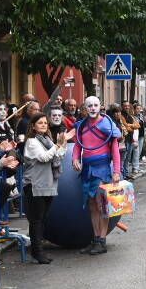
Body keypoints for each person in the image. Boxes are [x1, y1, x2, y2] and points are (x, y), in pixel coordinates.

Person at [70, 97, 122, 255]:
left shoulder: (107, 124)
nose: (92, 108)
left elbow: (115, 149)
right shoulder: (81, 125)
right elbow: (78, 145)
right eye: (89, 105)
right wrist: (74, 159)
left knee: (101, 205)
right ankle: (95, 238)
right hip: (87, 169)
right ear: (85, 108)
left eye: (95, 105)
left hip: (102, 168)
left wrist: (117, 171)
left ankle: (102, 240)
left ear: (100, 106)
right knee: (92, 205)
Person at [20, 113, 60, 263]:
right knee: (36, 220)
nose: (44, 125)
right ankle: (37, 251)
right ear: (33, 126)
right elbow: (44, 157)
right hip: (34, 184)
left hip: (47, 183)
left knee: (42, 219)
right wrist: (57, 146)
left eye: (45, 123)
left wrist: (60, 146)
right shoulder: (31, 142)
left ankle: (38, 250)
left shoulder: (47, 140)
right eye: (40, 123)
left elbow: (58, 156)